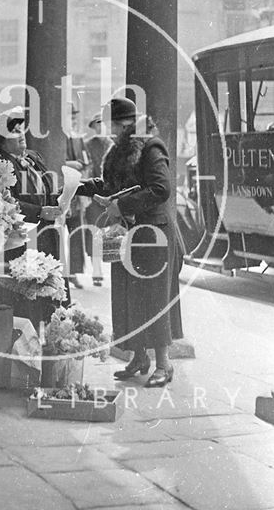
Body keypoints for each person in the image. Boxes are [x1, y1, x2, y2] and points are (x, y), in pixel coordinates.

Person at [76, 97, 183, 387]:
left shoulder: (151, 146)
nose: (104, 129)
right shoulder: (116, 151)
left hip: (153, 234)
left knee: (154, 296)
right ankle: (138, 357)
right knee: (127, 296)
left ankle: (164, 364)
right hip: (128, 233)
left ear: (123, 124)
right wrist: (80, 188)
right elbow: (111, 185)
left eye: (108, 123)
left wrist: (121, 206)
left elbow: (161, 189)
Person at [0, 108, 66, 326]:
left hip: (46, 238)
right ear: (1, 141)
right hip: (22, 241)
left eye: (21, 129)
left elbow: (45, 191)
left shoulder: (33, 157)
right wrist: (39, 211)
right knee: (29, 301)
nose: (21, 134)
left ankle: (51, 343)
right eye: (13, 132)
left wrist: (61, 199)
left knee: (51, 297)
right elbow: (3, 202)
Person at [84, 112, 113, 287]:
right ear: (93, 127)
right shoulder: (88, 145)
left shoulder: (114, 145)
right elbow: (87, 168)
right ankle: (97, 270)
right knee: (95, 231)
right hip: (95, 195)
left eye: (103, 123)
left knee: (112, 231)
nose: (101, 127)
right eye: (97, 124)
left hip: (112, 195)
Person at [65, 105, 91, 289]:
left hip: (76, 191)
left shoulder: (78, 137)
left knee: (76, 233)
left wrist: (83, 165)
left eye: (75, 115)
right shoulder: (56, 136)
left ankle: (72, 272)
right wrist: (68, 164)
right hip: (61, 190)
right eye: (70, 115)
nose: (74, 118)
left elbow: (86, 159)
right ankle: (59, 273)